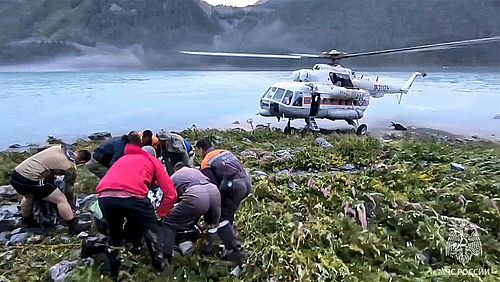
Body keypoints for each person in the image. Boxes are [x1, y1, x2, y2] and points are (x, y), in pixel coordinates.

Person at [96, 134, 177, 277]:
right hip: (132, 195)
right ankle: (162, 268)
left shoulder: (122, 159)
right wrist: (160, 213)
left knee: (115, 234)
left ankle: (114, 271)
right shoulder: (151, 160)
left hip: (105, 196)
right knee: (154, 231)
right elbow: (171, 194)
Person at [9, 144, 91, 234]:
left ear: (77, 151)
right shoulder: (70, 167)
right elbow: (69, 190)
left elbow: (46, 164)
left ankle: (27, 221)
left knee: (29, 196)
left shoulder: (59, 147)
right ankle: (73, 225)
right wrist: (70, 204)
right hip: (31, 180)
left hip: (16, 175)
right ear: (82, 162)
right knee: (61, 200)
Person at [195, 138, 251, 265]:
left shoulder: (206, 162)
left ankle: (232, 249)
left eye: (197, 151)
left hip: (235, 186)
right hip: (247, 182)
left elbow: (213, 187)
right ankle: (228, 241)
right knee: (228, 212)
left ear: (201, 149)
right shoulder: (224, 152)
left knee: (221, 218)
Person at [161, 163, 221, 265]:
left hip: (196, 195)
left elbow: (169, 198)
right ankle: (208, 252)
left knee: (168, 222)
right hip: (214, 191)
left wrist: (162, 212)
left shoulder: (174, 177)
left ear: (176, 170)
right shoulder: (195, 171)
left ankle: (167, 256)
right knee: (211, 225)